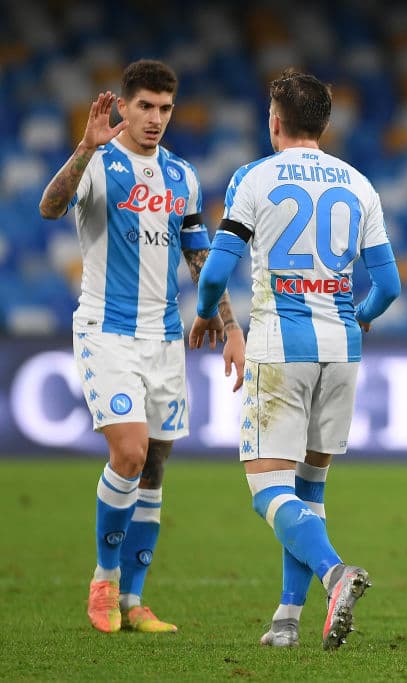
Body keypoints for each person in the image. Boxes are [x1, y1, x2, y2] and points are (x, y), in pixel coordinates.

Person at [190, 69, 401, 650]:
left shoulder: (253, 178)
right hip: (342, 347)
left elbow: (215, 270)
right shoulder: (359, 184)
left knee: (268, 491)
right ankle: (286, 621)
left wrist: (209, 310)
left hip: (282, 344)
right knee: (308, 489)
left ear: (274, 121)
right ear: (326, 125)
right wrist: (354, 316)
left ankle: (335, 573)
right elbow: (388, 286)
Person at [38, 59, 244, 634]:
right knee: (127, 453)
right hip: (106, 330)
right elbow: (50, 207)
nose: (156, 119)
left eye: (165, 109)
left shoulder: (181, 176)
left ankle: (135, 600)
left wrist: (229, 326)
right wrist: (83, 147)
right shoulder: (99, 163)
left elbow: (199, 256)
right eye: (146, 107)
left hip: (163, 337)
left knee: (153, 466)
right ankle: (102, 580)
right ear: (123, 106)